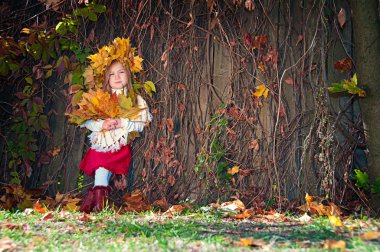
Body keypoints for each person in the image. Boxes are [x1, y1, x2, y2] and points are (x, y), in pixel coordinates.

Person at [79, 60, 152, 213]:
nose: (117, 77)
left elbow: (142, 122)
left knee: (102, 169)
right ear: (106, 79)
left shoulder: (135, 100)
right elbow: (88, 121)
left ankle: (95, 202)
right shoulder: (102, 99)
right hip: (101, 143)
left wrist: (122, 122)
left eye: (121, 72)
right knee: (101, 170)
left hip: (118, 145)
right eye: (111, 74)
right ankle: (97, 202)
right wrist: (102, 125)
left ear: (129, 74)